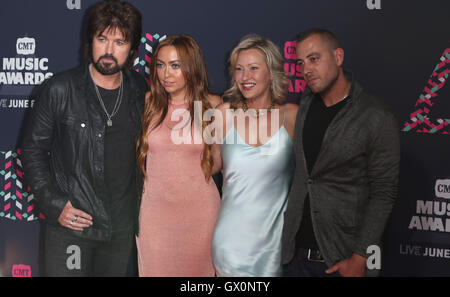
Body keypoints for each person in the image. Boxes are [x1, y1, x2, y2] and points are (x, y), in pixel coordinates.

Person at [21, 0, 148, 276]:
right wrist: (55, 205)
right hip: (72, 228)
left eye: (119, 42)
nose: (109, 50)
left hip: (120, 228)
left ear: (133, 50)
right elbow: (32, 151)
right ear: (90, 42)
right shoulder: (59, 89)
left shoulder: (142, 90)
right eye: (102, 38)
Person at [281, 28, 400, 277]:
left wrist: (359, 258)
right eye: (301, 63)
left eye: (314, 59)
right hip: (295, 257)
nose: (306, 70)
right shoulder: (305, 104)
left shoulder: (376, 117)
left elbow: (384, 193)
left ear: (338, 56)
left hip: (340, 259)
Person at [211, 35, 298, 277]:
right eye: (239, 69)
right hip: (230, 245)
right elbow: (209, 167)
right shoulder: (224, 113)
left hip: (277, 247)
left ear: (271, 73)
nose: (245, 77)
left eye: (253, 68)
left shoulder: (291, 116)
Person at [135, 34, 221, 277]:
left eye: (175, 66)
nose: (166, 74)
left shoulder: (212, 106)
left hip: (201, 214)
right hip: (154, 216)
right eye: (160, 65)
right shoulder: (148, 104)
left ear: (191, 67)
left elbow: (216, 164)